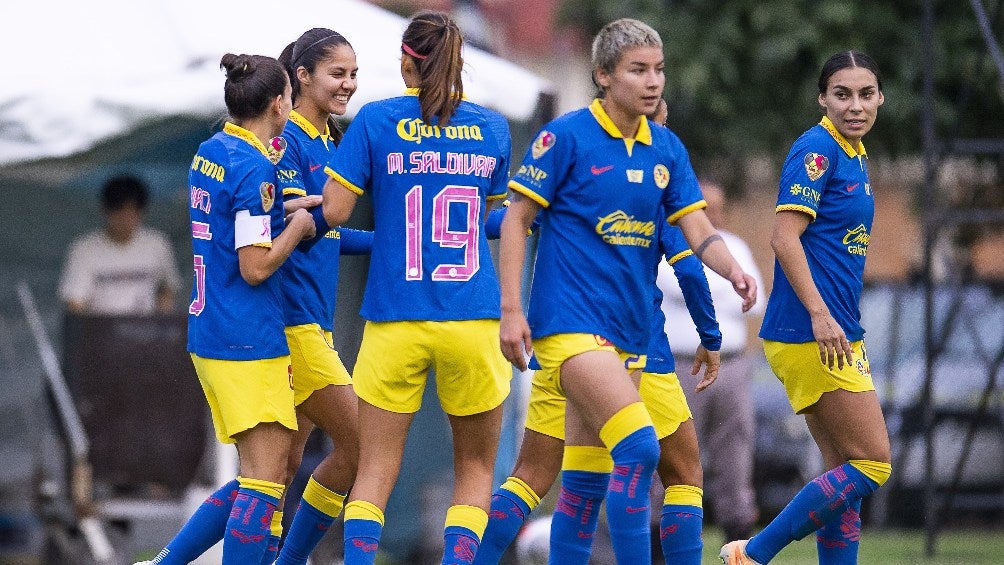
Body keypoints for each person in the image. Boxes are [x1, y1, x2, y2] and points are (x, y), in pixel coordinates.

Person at [498, 18, 756, 564]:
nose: (653, 81)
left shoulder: (666, 148)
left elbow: (699, 235)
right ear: (603, 76)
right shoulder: (564, 136)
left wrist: (732, 269)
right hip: (570, 328)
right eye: (638, 70)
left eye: (659, 69)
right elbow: (517, 220)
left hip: (634, 337)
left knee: (625, 472)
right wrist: (511, 309)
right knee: (637, 450)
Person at [312, 11, 512, 565]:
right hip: (472, 319)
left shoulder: (374, 121)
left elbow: (333, 212)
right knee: (474, 468)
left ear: (405, 61)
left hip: (395, 320)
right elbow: (489, 220)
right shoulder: (492, 129)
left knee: (374, 468)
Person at [135, 52, 316, 565]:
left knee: (264, 475)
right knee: (264, 481)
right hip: (244, 334)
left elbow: (231, 218)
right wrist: (299, 229)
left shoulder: (212, 150)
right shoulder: (256, 164)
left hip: (210, 328)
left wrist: (283, 207)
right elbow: (256, 265)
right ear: (280, 104)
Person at [720, 50, 891, 565]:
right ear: (823, 99)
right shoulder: (817, 148)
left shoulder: (854, 153)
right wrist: (820, 314)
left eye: (865, 94)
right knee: (874, 464)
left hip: (835, 331)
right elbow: (783, 236)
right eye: (842, 94)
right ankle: (753, 552)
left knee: (843, 470)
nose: (855, 105)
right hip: (811, 330)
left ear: (880, 98)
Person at [474, 213, 723, 565]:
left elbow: (508, 220)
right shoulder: (655, 177)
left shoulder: (566, 174)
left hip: (561, 344)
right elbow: (690, 270)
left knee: (531, 477)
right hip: (636, 351)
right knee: (681, 474)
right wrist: (710, 335)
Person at [268, 28, 369, 565]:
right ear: (302, 76)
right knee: (364, 445)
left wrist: (395, 245)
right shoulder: (286, 142)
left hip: (314, 323)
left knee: (278, 470)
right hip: (292, 328)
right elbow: (292, 223)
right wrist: (313, 215)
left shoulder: (332, 143)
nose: (349, 84)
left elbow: (325, 229)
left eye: (354, 73)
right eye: (337, 73)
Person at [661, 178, 765, 543]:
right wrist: (722, 285)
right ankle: (662, 537)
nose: (711, 214)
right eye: (703, 206)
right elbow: (675, 288)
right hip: (680, 365)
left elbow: (754, 298)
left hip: (732, 365)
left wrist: (709, 287)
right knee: (672, 449)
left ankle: (738, 532)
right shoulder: (668, 239)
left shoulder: (734, 245)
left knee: (735, 447)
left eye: (716, 207)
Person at [59, 174, 180, 315]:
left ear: (142, 211)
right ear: (105, 211)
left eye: (131, 211)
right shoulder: (84, 249)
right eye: (119, 211)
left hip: (147, 331)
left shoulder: (158, 244)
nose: (125, 219)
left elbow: (168, 287)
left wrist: (161, 319)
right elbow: (75, 302)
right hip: (101, 332)